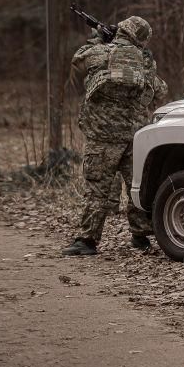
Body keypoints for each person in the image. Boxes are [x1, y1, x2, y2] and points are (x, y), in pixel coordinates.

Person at [62, 16, 168, 255]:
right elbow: (160, 91)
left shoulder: (99, 52)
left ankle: (87, 241)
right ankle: (141, 237)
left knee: (97, 187)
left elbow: (78, 60)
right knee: (137, 187)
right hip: (135, 136)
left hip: (102, 136)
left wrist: (98, 38)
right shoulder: (145, 60)